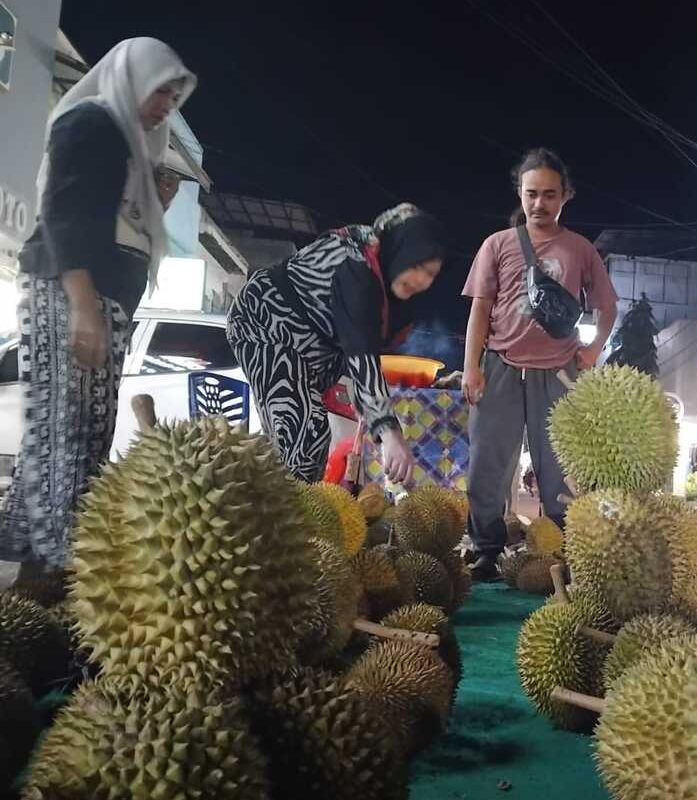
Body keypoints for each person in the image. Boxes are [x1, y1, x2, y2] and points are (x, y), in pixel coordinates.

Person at [0, 38, 196, 582]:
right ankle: (54, 571)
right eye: (160, 92)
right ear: (133, 78)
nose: (165, 107)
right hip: (68, 292)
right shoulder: (90, 122)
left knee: (87, 431)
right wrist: (83, 305)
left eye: (173, 100)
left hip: (100, 298)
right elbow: (65, 213)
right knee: (66, 430)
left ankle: (43, 572)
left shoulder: (132, 145)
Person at [462, 148, 618, 580]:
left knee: (559, 471)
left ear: (565, 196)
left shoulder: (581, 249)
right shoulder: (496, 244)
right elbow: (480, 308)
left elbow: (607, 306)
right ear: (520, 192)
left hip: (559, 371)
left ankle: (559, 551)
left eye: (550, 195)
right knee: (486, 465)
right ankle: (487, 550)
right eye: (531, 194)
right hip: (501, 365)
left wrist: (592, 351)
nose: (539, 204)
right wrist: (471, 366)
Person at [227, 203, 447, 484]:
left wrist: (371, 410)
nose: (421, 280)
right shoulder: (356, 265)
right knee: (305, 432)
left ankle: (276, 509)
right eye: (417, 266)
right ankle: (290, 519)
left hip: (313, 351)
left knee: (292, 442)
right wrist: (389, 430)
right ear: (401, 250)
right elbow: (360, 349)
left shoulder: (389, 291)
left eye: (430, 274)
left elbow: (366, 353)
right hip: (265, 323)